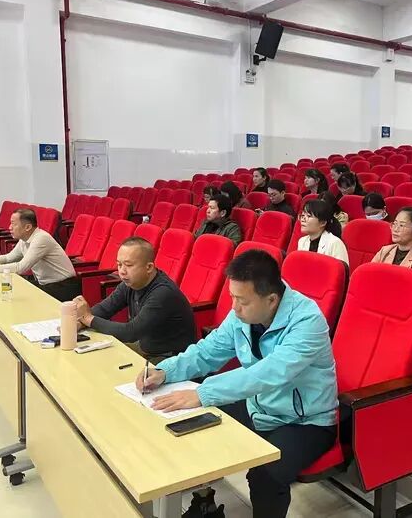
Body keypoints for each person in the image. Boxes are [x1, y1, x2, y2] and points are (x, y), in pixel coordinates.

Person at [137, 249, 337, 518]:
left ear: (271, 300)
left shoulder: (308, 321)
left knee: (265, 475)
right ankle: (205, 505)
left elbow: (269, 373)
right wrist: (165, 371)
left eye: (242, 301)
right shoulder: (242, 315)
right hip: (260, 406)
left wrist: (204, 392)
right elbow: (208, 351)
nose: (234, 307)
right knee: (191, 427)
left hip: (304, 420)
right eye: (232, 297)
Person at [73, 237, 195, 365]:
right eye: (119, 264)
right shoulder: (130, 283)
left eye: (128, 265)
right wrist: (80, 322)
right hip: (146, 347)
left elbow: (130, 332)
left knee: (109, 366)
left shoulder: (163, 293)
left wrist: (88, 319)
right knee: (95, 358)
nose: (122, 271)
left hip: (171, 358)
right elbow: (105, 308)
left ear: (149, 267)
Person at [0, 208, 80, 301]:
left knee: (22, 295)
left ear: (27, 227)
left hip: (64, 286)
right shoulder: (24, 239)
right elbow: (8, 258)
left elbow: (20, 268)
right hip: (47, 284)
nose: (10, 227)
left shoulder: (41, 239)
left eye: (14, 224)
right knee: (18, 288)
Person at [371, 207, 412, 276]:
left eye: (402, 225)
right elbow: (369, 274)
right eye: (395, 224)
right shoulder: (384, 251)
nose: (395, 229)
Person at [297, 199, 349, 265]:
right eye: (302, 216)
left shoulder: (335, 243)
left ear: (323, 223)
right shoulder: (302, 241)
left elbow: (341, 270)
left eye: (309, 216)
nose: (303, 220)